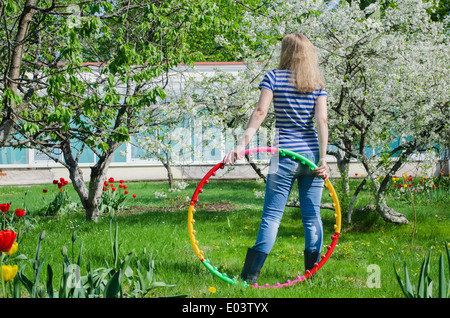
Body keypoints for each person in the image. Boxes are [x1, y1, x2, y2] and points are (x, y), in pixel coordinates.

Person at [222, 33, 329, 284]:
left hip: (284, 156)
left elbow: (260, 111)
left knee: (271, 217)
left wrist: (241, 145)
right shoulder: (317, 82)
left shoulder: (273, 77)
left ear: (286, 52)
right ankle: (311, 275)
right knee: (312, 216)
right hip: (312, 156)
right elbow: (321, 121)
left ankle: (250, 277)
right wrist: (324, 158)